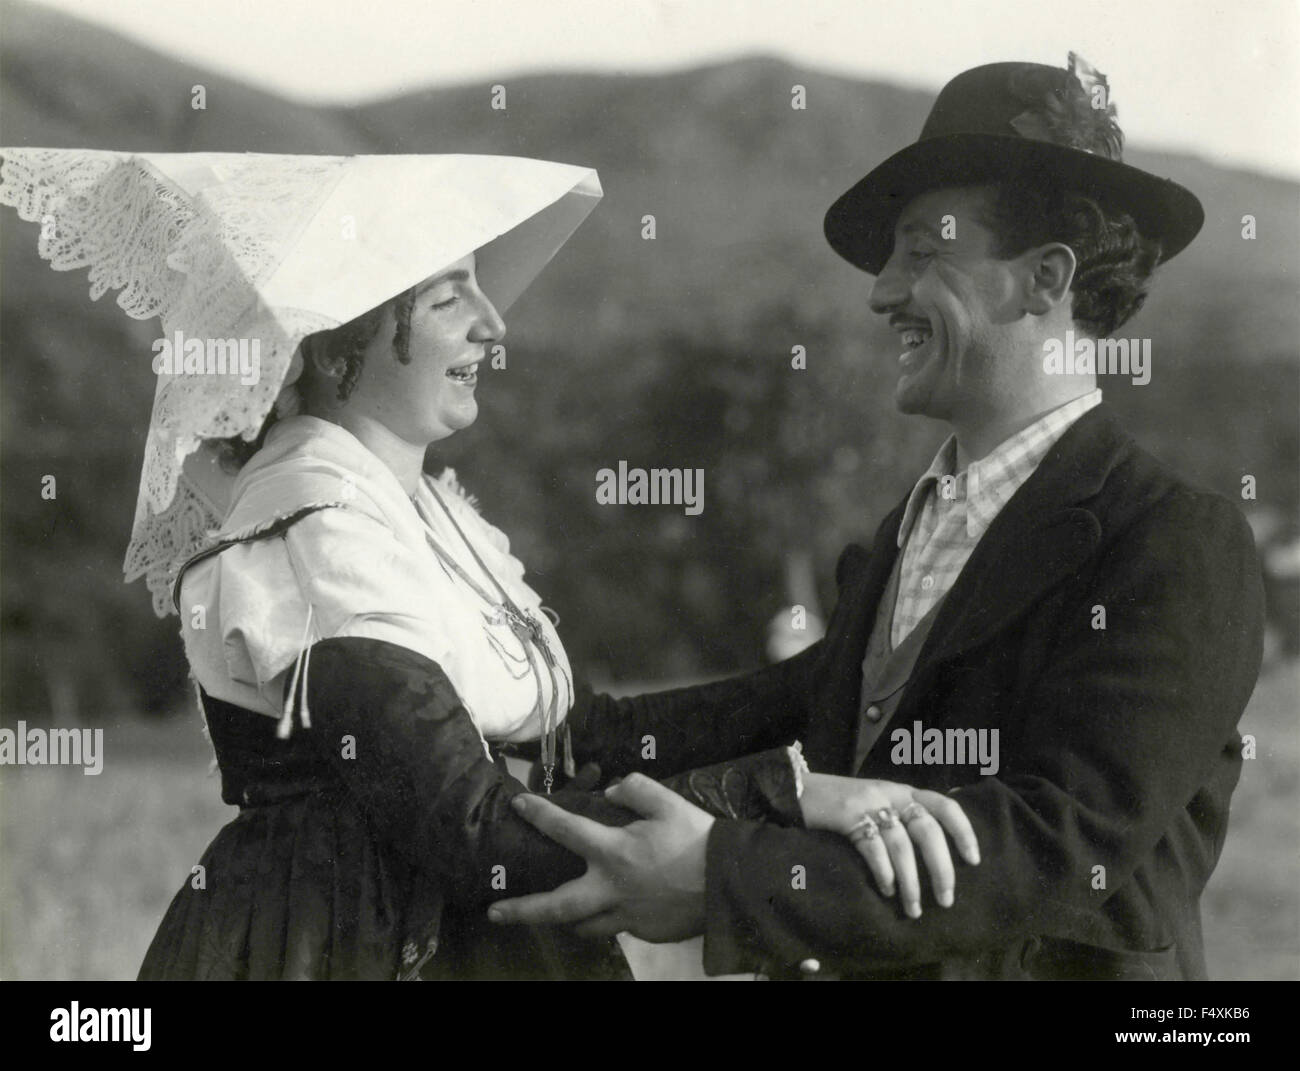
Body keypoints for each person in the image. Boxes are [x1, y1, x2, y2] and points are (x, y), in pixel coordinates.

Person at [0, 148, 979, 980]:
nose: (492, 324)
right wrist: (789, 796)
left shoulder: (416, 516)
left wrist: (832, 675)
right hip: (347, 945)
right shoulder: (315, 536)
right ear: (340, 338)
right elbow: (470, 828)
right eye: (447, 295)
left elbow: (585, 741)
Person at [487, 55, 1267, 981]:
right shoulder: (915, 522)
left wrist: (726, 876)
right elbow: (789, 705)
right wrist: (547, 732)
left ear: (1043, 280)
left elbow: (1061, 845)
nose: (882, 291)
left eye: (924, 253)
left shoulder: (1176, 541)